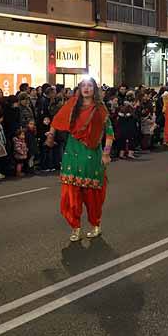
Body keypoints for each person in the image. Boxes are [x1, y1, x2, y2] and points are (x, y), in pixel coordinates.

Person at [47, 77, 113, 242]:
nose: (86, 88)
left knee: (92, 195)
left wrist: (106, 154)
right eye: (83, 85)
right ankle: (75, 227)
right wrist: (51, 134)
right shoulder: (72, 105)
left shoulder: (100, 108)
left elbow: (109, 134)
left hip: (92, 155)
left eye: (89, 86)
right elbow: (57, 120)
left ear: (94, 89)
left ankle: (95, 225)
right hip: (72, 153)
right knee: (71, 195)